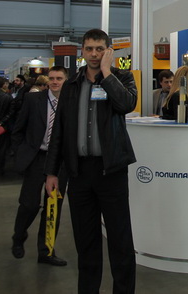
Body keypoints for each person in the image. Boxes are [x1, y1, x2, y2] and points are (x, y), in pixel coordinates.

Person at [45, 29, 138, 294]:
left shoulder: (121, 78)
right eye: (89, 49)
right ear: (82, 51)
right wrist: (51, 172)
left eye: (99, 49)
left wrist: (107, 72)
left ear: (108, 51)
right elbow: (59, 131)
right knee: (86, 242)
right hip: (79, 173)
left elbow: (126, 104)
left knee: (120, 240)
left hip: (111, 171)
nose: (94, 54)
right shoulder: (72, 85)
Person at [11, 66, 69, 266]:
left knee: (53, 207)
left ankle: (46, 251)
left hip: (60, 161)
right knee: (29, 204)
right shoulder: (32, 99)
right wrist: (20, 152)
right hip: (36, 158)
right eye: (52, 78)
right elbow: (18, 128)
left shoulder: (71, 102)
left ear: (66, 80)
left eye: (59, 78)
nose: (55, 82)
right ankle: (19, 236)